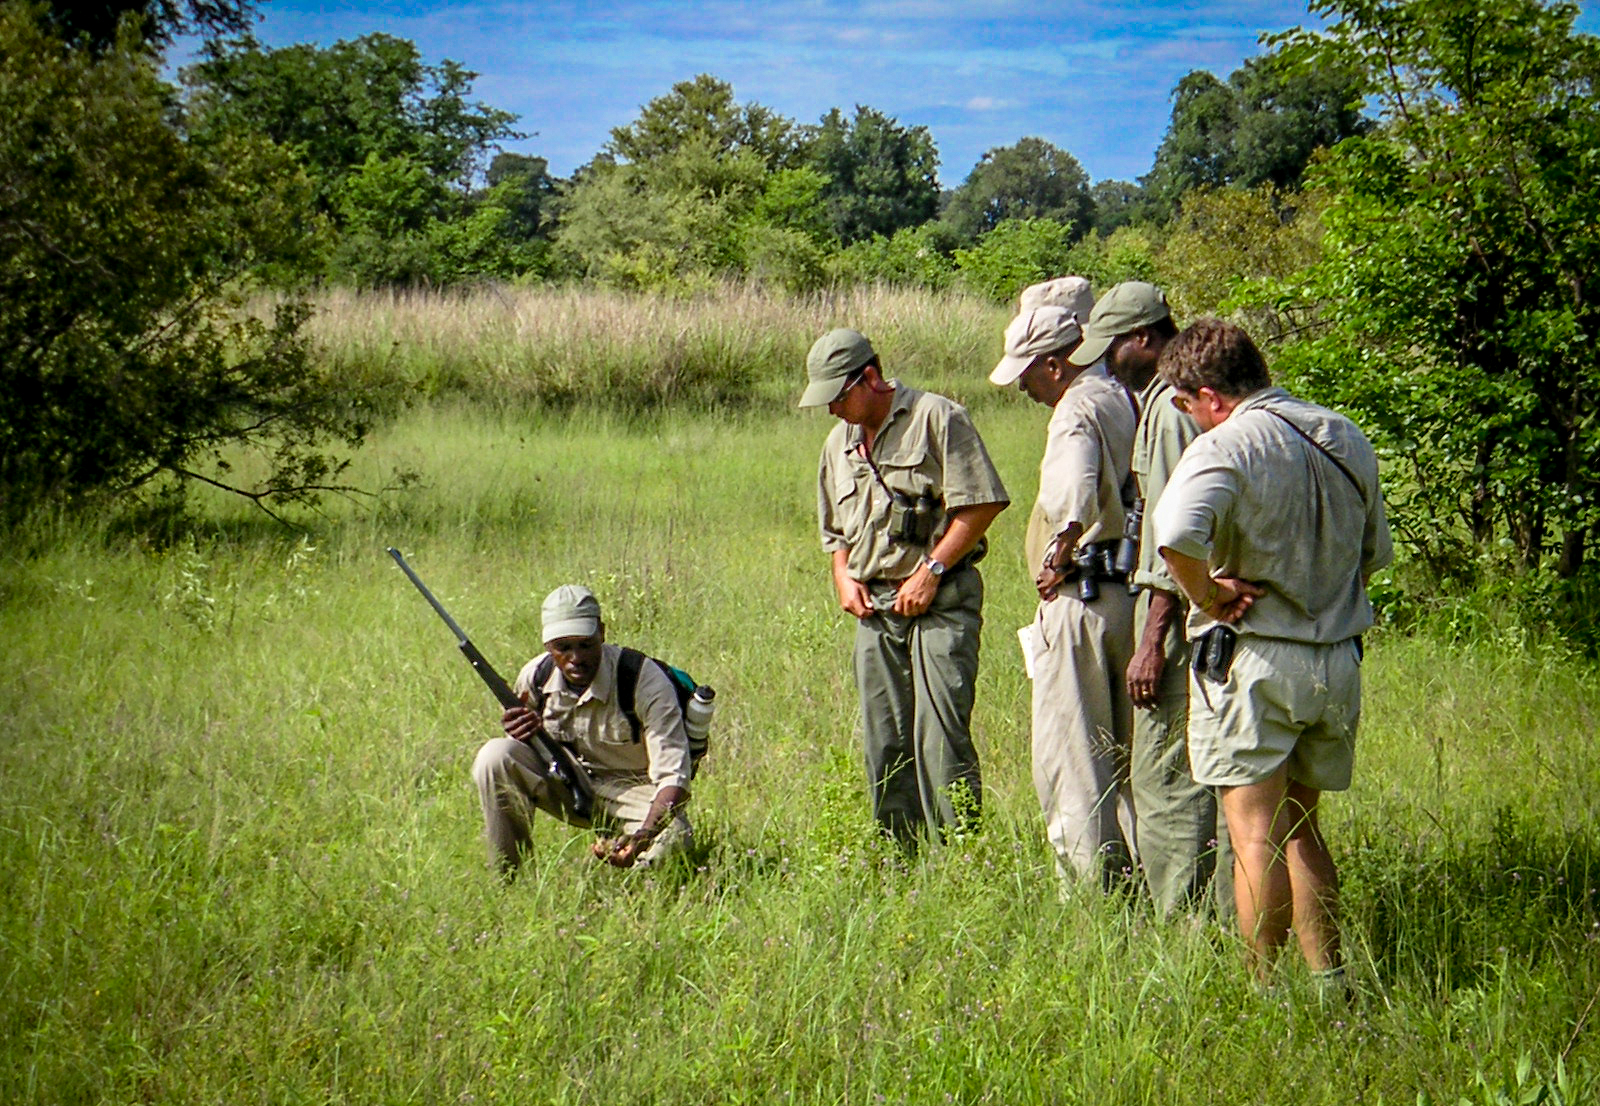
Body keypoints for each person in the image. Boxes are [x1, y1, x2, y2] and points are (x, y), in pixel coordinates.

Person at [1151, 319, 1392, 988]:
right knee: (1303, 827)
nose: (1190, 420)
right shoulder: (1344, 433)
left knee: (1253, 834)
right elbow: (1374, 556)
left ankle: (1262, 992)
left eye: (1186, 407)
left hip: (1255, 659)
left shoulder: (1225, 444)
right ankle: (1329, 982)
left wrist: (1210, 595)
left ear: (1207, 396)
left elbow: (1175, 535)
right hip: (1337, 659)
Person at [801, 327, 1010, 846]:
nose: (832, 411)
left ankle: (961, 853)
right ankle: (899, 854)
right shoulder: (838, 443)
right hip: (874, 607)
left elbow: (981, 503)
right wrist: (843, 577)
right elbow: (834, 531)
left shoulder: (938, 417)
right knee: (884, 737)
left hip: (939, 600)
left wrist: (931, 571)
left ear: (869, 377)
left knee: (941, 735)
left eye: (838, 397)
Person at [1070, 281, 1229, 918]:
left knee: (1165, 778)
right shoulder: (1193, 399)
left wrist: (1149, 641)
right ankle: (1225, 918)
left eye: (1113, 348)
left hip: (1178, 616)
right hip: (1209, 609)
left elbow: (1170, 535)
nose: (1107, 363)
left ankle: (1180, 924)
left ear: (1144, 338)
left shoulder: (1167, 407)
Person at [991, 302, 1139, 890]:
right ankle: (1143, 879)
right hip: (1131, 596)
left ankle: (1090, 896)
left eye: (1026, 371)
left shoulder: (1075, 408)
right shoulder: (1122, 396)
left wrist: (1061, 550)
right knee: (1129, 758)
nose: (1022, 385)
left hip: (1081, 600)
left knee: (1073, 761)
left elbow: (1074, 488)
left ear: (1055, 364)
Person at [472, 585, 693, 876]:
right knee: (493, 757)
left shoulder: (643, 679)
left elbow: (674, 778)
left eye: (585, 644)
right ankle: (508, 881)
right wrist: (518, 731)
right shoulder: (535, 677)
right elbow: (518, 754)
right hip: (565, 781)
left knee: (675, 836)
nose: (576, 657)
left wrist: (643, 837)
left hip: (635, 792)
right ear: (548, 646)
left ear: (601, 633)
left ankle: (636, 883)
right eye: (563, 647)